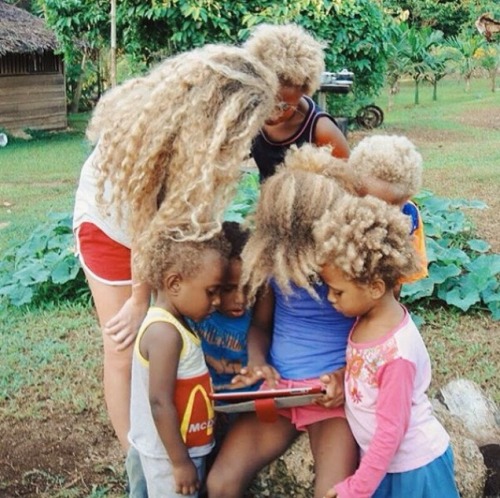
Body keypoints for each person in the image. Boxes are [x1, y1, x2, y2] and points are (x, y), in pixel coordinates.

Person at [72, 44, 277, 450]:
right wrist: (137, 298)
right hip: (111, 227)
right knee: (122, 345)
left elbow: (167, 219)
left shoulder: (201, 140)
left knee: (173, 330)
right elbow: (141, 221)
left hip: (157, 225)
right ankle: (139, 460)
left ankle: (181, 429)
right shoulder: (152, 130)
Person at [206, 146, 359, 498]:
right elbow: (260, 326)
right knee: (220, 483)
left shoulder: (352, 268)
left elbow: (376, 337)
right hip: (280, 396)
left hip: (330, 402)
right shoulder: (275, 264)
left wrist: (344, 378)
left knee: (333, 492)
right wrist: (258, 364)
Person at [314, 195, 460, 498]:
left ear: (375, 287)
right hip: (385, 466)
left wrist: (357, 488)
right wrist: (342, 379)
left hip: (415, 470)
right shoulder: (368, 320)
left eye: (337, 291)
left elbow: (391, 430)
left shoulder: (397, 353)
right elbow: (369, 375)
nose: (330, 298)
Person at [126, 230, 230, 498]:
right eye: (211, 291)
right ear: (174, 284)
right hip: (169, 458)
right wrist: (180, 462)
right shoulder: (165, 334)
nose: (217, 301)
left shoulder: (175, 325)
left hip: (179, 450)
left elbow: (181, 368)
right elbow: (159, 401)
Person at [244, 23, 350, 182]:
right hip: (267, 202)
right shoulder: (251, 116)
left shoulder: (321, 130)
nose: (272, 113)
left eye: (284, 106)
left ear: (303, 92)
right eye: (265, 101)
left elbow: (349, 180)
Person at [346, 134, 428, 286]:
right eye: (373, 203)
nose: (383, 214)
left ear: (408, 195)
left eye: (393, 206)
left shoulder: (410, 216)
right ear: (354, 191)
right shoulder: (343, 213)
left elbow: (400, 278)